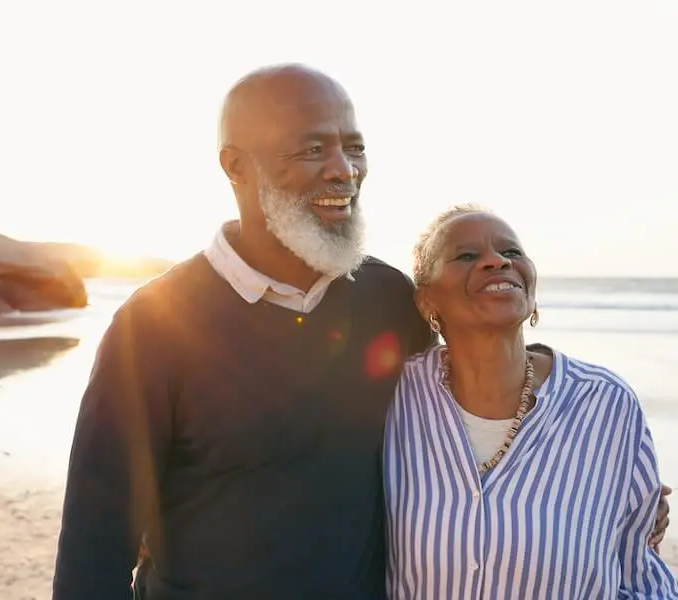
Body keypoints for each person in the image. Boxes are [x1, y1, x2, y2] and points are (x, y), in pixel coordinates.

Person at [51, 64, 671, 600]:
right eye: (312, 149)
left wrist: (595, 471)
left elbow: (472, 381)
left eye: (354, 147)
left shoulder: (385, 300)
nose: (344, 171)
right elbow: (95, 538)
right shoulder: (155, 326)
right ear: (235, 166)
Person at [383, 204, 678, 599]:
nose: (496, 261)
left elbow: (637, 571)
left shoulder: (606, 405)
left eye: (512, 252)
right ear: (426, 302)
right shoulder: (393, 398)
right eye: (467, 256)